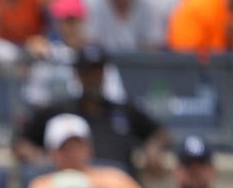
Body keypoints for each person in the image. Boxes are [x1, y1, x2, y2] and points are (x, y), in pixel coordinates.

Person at [15, 44, 165, 176]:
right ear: (77, 74)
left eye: (97, 72)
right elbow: (22, 142)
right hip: (70, 187)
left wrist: (153, 149)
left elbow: (160, 133)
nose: (92, 78)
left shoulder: (124, 110)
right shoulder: (58, 111)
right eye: (87, 72)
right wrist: (38, 159)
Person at [26, 113, 148, 188]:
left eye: (78, 146)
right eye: (65, 147)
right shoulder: (41, 186)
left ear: (89, 148)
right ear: (51, 152)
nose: (72, 153)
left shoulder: (115, 177)